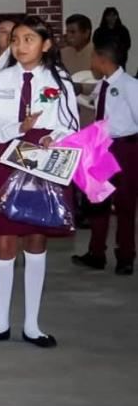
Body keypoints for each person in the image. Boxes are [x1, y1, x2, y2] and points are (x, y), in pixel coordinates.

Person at [0, 16, 80, 347]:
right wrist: (17, 128)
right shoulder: (2, 79)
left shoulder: (59, 80)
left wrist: (55, 137)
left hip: (44, 163)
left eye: (29, 39)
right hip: (8, 157)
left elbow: (72, 124)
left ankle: (32, 324)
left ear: (46, 44)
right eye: (16, 40)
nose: (20, 46)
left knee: (36, 238)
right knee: (4, 238)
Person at [72, 39, 137, 275]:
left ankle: (126, 255)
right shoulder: (103, 85)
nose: (91, 63)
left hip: (124, 147)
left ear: (102, 59)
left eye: (92, 58)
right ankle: (96, 252)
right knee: (97, 200)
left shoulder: (130, 85)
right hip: (101, 146)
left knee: (125, 204)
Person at [61, 14, 94, 78]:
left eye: (73, 32)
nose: (69, 36)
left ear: (86, 33)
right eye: (67, 32)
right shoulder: (63, 53)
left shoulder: (98, 54)